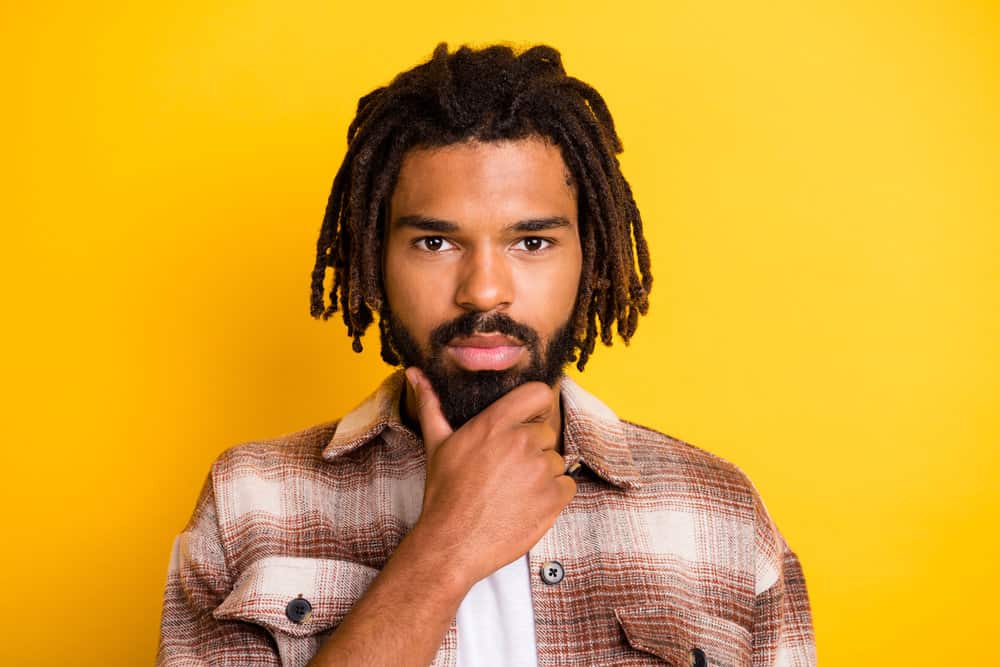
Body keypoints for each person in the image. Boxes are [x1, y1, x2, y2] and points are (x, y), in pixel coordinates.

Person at [157, 43, 816, 667]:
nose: (483, 291)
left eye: (531, 242)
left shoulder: (718, 513)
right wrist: (444, 550)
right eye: (435, 244)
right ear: (374, 260)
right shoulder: (250, 502)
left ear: (590, 260)